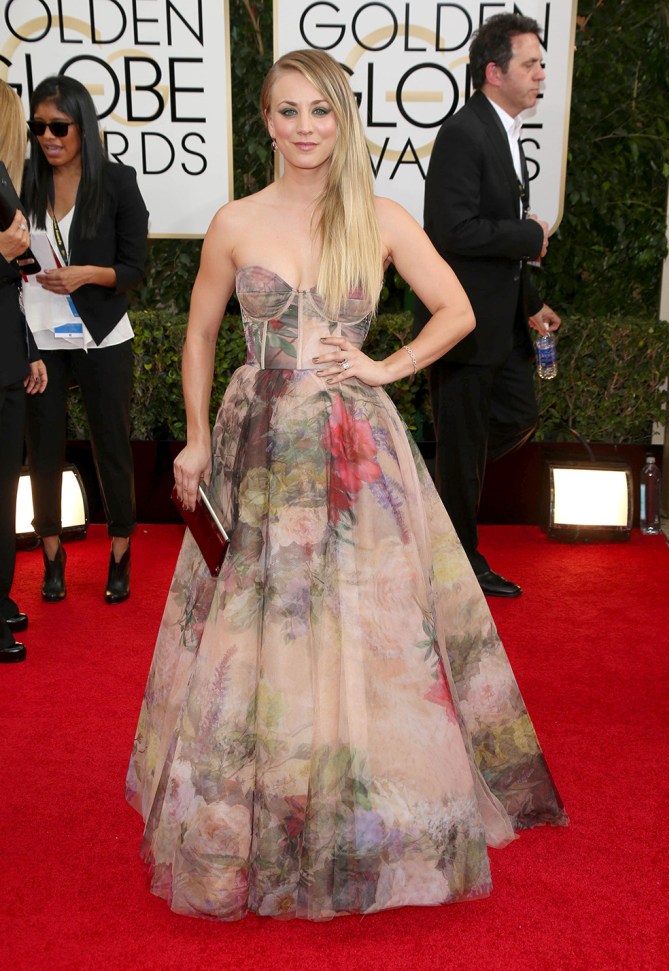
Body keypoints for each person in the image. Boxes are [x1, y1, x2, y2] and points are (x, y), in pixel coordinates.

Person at [127, 48, 567, 922]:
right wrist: (195, 437)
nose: (304, 128)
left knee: (367, 622)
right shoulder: (234, 221)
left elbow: (461, 310)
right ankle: (262, 802)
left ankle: (358, 806)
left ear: (343, 118)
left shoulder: (382, 216)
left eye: (320, 111)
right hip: (254, 446)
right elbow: (200, 335)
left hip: (350, 448)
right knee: (256, 624)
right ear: (265, 121)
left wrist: (381, 366)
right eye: (287, 112)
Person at [415, 13, 561, 598]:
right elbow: (450, 231)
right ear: (493, 71)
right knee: (465, 446)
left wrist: (534, 299)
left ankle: (426, 493)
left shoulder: (500, 130)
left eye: (542, 63)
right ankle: (460, 564)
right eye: (530, 63)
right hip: (463, 326)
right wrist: (529, 235)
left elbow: (492, 240)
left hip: (500, 325)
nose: (541, 74)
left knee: (517, 416)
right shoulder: (464, 132)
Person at [22, 75, 148, 604]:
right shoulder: (25, 179)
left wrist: (85, 274)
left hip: (102, 332)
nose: (48, 136)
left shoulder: (117, 181)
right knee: (43, 448)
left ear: (83, 127)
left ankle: (120, 551)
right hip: (38, 334)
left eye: (58, 126)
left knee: (111, 446)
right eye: (38, 127)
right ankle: (52, 554)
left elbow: (134, 268)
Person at [0, 81, 48, 663]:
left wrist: (30, 346)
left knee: (6, 487)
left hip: (8, 355)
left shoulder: (4, 174)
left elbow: (15, 275)